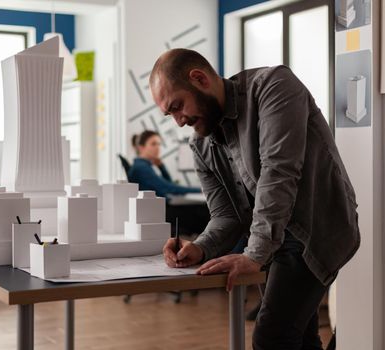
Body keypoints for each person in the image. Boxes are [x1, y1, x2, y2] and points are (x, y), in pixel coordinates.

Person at [150, 49, 360, 349]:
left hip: (314, 228)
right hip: (270, 240)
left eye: (177, 107)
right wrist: (199, 247)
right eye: (169, 114)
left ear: (199, 79)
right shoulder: (201, 144)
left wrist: (255, 254)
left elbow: (279, 172)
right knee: (299, 338)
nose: (178, 121)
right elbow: (226, 215)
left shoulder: (274, 86)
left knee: (271, 338)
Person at [129, 130, 209, 235]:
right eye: (153, 144)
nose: (158, 148)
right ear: (141, 147)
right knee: (203, 211)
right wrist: (201, 189)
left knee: (201, 209)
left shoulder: (144, 166)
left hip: (162, 209)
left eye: (159, 144)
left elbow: (168, 184)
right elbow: (168, 188)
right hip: (160, 213)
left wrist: (161, 167)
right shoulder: (141, 168)